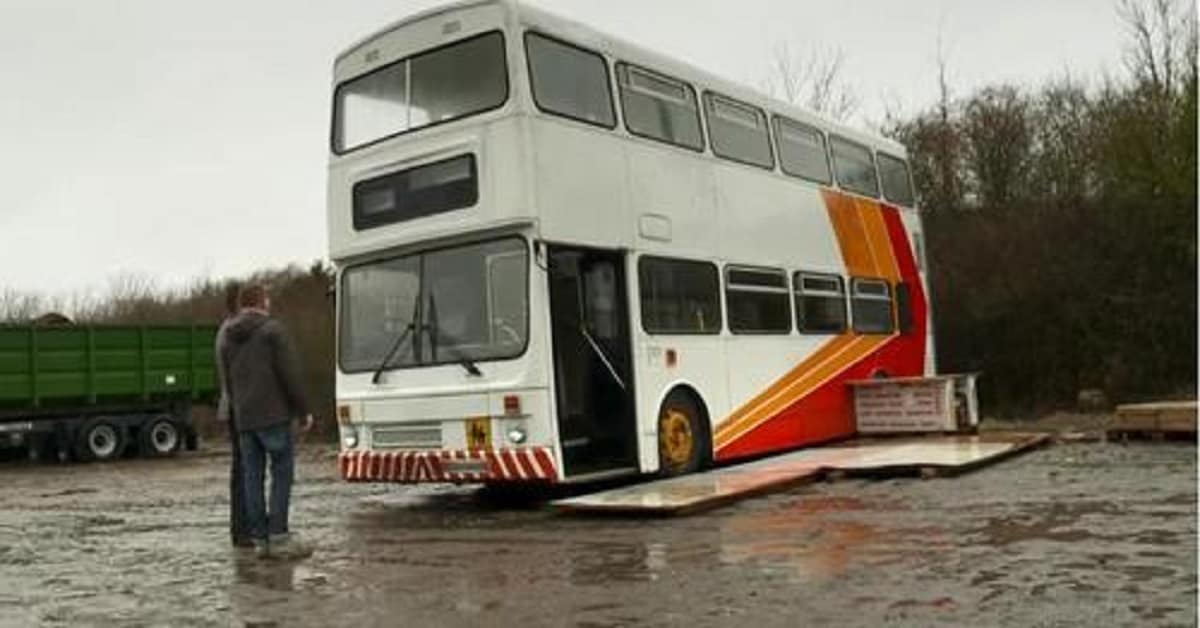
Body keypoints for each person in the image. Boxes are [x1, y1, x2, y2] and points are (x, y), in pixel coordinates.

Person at [218, 283, 314, 560]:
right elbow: (289, 374)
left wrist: (239, 411)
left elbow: (228, 381)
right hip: (274, 415)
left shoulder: (227, 336)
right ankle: (279, 536)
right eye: (268, 298)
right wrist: (302, 410)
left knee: (252, 477)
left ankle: (260, 539)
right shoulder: (273, 331)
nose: (270, 302)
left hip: (245, 418)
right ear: (261, 301)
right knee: (282, 474)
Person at [214, 281, 251, 548]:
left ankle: (242, 529)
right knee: (245, 468)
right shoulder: (235, 331)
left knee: (241, 468)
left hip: (234, 406)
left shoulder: (225, 330)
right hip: (241, 407)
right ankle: (244, 529)